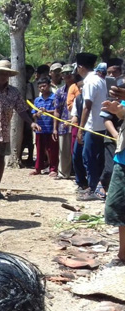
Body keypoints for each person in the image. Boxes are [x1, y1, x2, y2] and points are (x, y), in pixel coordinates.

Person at [0, 60, 41, 199]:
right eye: (1, 73)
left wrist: (31, 123)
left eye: (6, 74)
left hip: (4, 130)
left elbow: (21, 110)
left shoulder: (14, 92)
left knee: (1, 158)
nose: (3, 76)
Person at [76, 52, 107, 201]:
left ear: (80, 67)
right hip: (101, 125)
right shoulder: (100, 79)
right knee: (97, 158)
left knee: (88, 157)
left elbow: (87, 107)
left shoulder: (89, 82)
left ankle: (94, 188)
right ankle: (96, 186)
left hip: (92, 126)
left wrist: (81, 129)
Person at [101, 87, 125, 266]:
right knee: (116, 207)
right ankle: (123, 254)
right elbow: (122, 112)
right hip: (122, 161)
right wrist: (118, 111)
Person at [53, 63, 76, 179]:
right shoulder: (59, 92)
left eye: (69, 73)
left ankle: (77, 173)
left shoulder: (79, 88)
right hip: (64, 124)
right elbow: (57, 110)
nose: (67, 76)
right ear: (62, 76)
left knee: (76, 150)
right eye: (65, 74)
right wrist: (55, 128)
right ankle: (63, 173)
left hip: (78, 124)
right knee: (64, 150)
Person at [31, 77, 58, 176]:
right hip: (40, 129)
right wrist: (36, 114)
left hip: (50, 128)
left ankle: (53, 169)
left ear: (49, 85)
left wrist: (47, 111)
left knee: (52, 150)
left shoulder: (54, 98)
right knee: (39, 149)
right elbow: (33, 113)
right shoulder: (37, 100)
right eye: (40, 87)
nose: (42, 88)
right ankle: (38, 168)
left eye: (44, 86)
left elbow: (57, 111)